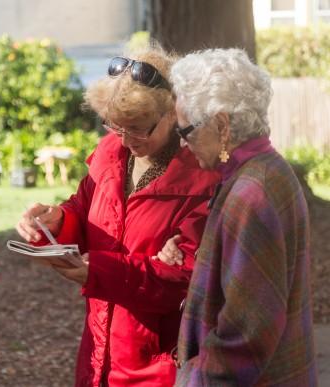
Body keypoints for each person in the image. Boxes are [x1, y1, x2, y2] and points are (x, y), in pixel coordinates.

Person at [16, 44, 220, 386]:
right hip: (100, 349)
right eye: (117, 126)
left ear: (172, 113)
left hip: (159, 364)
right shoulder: (110, 153)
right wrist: (57, 221)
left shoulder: (200, 177)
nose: (127, 139)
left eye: (139, 127)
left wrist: (98, 272)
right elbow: (84, 210)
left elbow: (184, 278)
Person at [161, 48, 317, 386]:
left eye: (185, 131)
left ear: (222, 124)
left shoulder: (252, 192)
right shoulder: (266, 169)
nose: (183, 143)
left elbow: (245, 337)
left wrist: (193, 379)